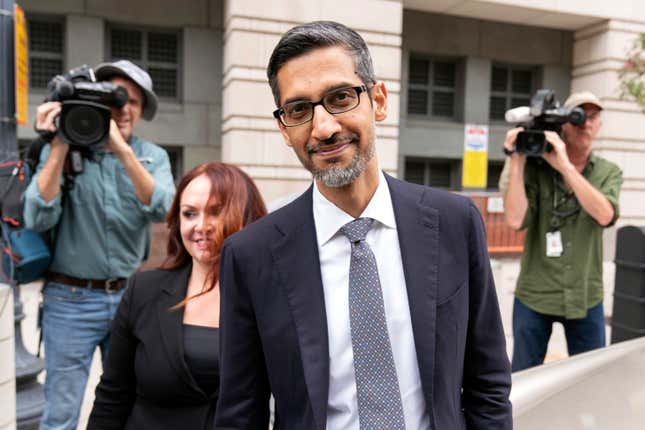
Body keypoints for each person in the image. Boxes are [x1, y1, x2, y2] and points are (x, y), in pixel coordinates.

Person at [214, 21, 512, 430]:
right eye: (299, 109)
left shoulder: (455, 224)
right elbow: (239, 411)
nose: (324, 127)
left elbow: (488, 383)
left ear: (379, 100)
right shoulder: (250, 255)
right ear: (284, 128)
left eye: (339, 97)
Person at [23, 60, 176, 430]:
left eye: (134, 102)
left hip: (130, 297)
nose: (124, 108)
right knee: (61, 413)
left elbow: (165, 208)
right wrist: (59, 141)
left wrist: (121, 150)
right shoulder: (65, 147)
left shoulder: (151, 156)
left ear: (141, 111)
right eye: (114, 98)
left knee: (131, 401)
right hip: (69, 301)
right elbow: (36, 216)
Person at [86, 162, 267, 429]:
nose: (201, 226)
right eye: (190, 214)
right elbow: (113, 395)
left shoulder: (270, 297)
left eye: (216, 212)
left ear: (247, 217)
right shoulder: (143, 290)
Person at [502, 91, 623, 372]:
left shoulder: (608, 171)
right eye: (578, 116)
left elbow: (605, 214)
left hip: (585, 294)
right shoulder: (535, 166)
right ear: (562, 125)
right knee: (524, 377)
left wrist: (565, 167)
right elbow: (514, 220)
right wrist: (517, 159)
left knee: (591, 378)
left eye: (593, 117)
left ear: (600, 125)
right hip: (535, 293)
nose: (586, 124)